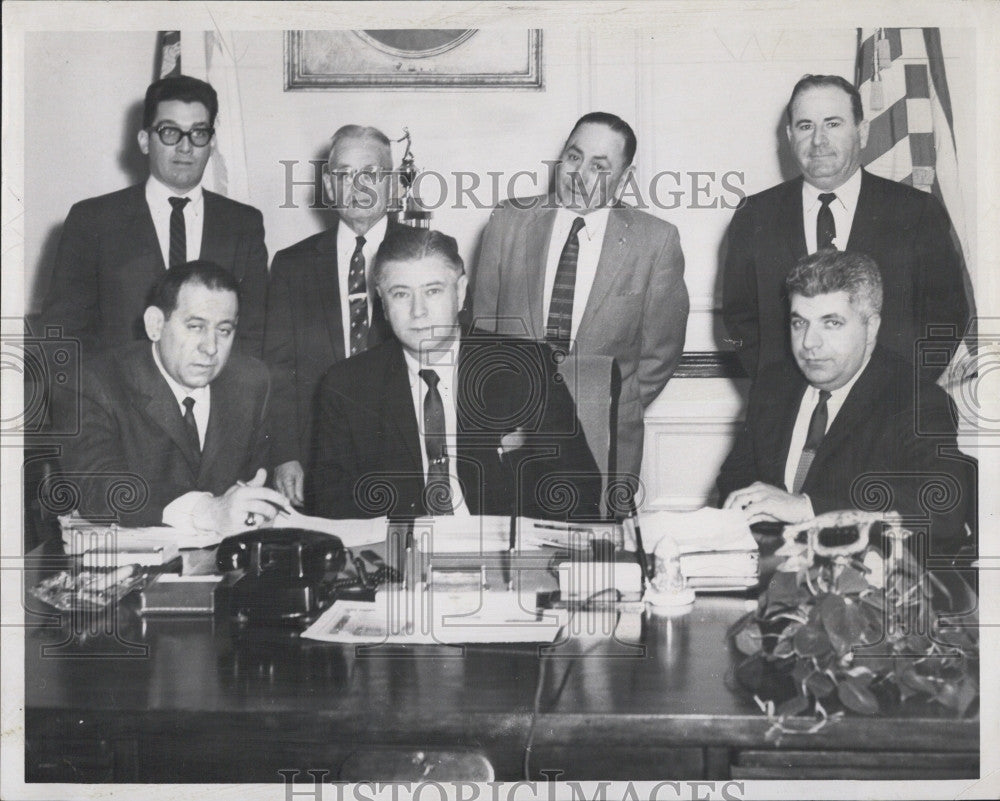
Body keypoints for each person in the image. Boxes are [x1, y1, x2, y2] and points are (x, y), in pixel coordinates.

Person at [312, 227, 603, 521]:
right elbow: (331, 505)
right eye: (400, 294)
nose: (418, 311)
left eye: (433, 291)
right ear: (382, 303)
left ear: (461, 291)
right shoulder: (346, 386)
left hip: (503, 552)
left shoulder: (525, 367)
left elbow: (579, 490)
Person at [472, 112, 689, 494]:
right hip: (509, 439)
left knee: (599, 551)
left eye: (599, 166)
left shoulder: (656, 242)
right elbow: (483, 329)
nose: (579, 174)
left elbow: (660, 355)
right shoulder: (508, 221)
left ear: (623, 178)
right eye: (573, 157)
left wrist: (608, 407)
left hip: (602, 448)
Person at [717, 250, 975, 557]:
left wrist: (809, 509)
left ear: (872, 327)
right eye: (799, 323)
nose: (809, 343)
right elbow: (735, 481)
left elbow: (943, 510)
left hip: (870, 588)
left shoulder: (916, 401)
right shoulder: (773, 387)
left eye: (832, 323)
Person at [722, 74, 970, 381]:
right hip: (786, 415)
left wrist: (901, 391)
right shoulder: (754, 215)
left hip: (888, 413)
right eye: (805, 125)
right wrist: (781, 387)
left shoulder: (916, 212)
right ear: (789, 135)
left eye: (833, 123)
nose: (818, 140)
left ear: (862, 132)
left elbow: (947, 316)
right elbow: (740, 317)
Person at [37, 75, 268, 359]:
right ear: (145, 141)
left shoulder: (243, 224)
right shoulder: (93, 221)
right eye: (170, 132)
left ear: (212, 142)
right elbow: (63, 333)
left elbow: (254, 335)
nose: (186, 147)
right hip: (115, 399)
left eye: (198, 133)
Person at [59, 261, 289, 532]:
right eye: (195, 327)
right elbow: (96, 485)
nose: (211, 347)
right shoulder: (95, 382)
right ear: (155, 324)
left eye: (224, 330)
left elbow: (252, 484)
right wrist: (203, 511)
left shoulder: (251, 382)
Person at [263, 125, 405, 507]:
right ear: (328, 187)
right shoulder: (291, 265)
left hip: (404, 455)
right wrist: (284, 454)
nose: (356, 186)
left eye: (370, 174)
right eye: (343, 174)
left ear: (393, 186)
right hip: (317, 457)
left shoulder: (425, 254)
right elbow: (278, 370)